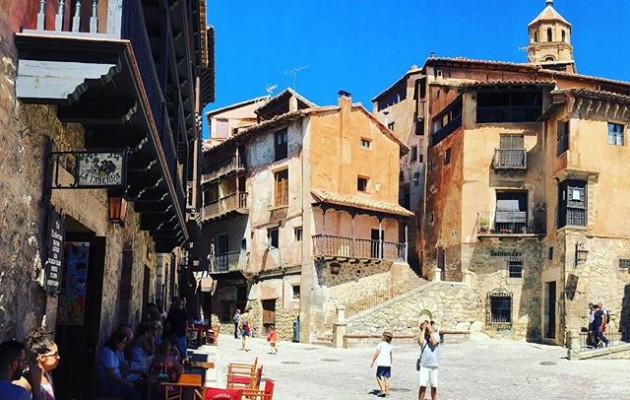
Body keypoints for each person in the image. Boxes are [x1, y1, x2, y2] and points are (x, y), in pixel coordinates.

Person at [13, 328, 60, 400]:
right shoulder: (24, 382)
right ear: (42, 357)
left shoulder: (47, 375)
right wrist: (35, 386)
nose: (58, 357)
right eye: (55, 354)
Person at [96, 329, 141, 400]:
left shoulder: (115, 353)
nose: (124, 345)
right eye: (123, 342)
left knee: (138, 388)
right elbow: (110, 374)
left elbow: (120, 371)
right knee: (135, 396)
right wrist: (126, 382)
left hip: (117, 382)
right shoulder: (108, 352)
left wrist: (135, 371)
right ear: (117, 342)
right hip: (108, 384)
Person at [418, 320, 440, 400]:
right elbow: (420, 342)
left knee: (434, 385)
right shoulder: (422, 337)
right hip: (424, 365)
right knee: (422, 385)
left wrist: (430, 332)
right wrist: (423, 330)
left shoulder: (436, 335)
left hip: (434, 364)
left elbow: (434, 342)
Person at [369, 331, 393, 398]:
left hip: (381, 363)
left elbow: (376, 353)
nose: (381, 337)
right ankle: (387, 392)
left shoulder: (380, 345)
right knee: (386, 378)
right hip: (388, 364)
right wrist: (390, 363)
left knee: (378, 376)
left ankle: (383, 390)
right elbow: (391, 355)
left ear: (384, 337)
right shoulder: (390, 346)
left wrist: (373, 361)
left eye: (382, 336)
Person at [166, 298, 189, 363]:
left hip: (173, 333)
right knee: (181, 349)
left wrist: (168, 332)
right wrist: (185, 332)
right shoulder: (184, 312)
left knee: (173, 348)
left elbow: (168, 324)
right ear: (181, 305)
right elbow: (186, 323)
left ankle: (173, 362)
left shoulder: (171, 312)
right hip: (181, 334)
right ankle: (181, 362)